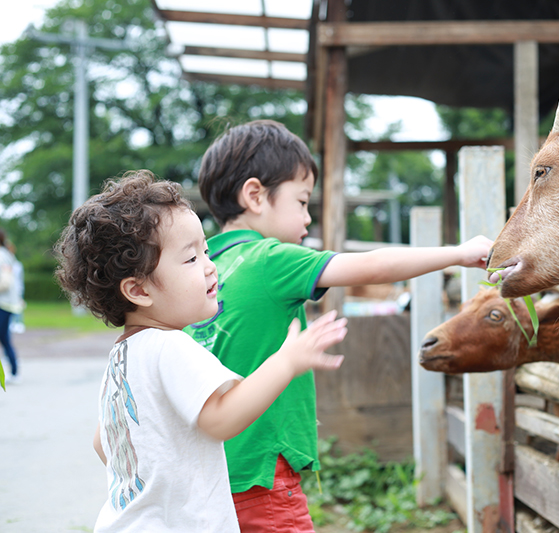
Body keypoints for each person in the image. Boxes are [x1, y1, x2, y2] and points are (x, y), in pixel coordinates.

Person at [186, 119, 493, 532]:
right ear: (255, 196)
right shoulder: (269, 258)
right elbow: (374, 265)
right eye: (301, 201)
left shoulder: (204, 271)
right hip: (263, 475)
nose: (308, 219)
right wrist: (458, 253)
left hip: (206, 477)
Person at [54, 170, 348, 532]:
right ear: (140, 291)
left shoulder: (123, 355)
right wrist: (286, 361)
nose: (210, 267)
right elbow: (221, 420)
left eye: (206, 251)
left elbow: (104, 443)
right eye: (191, 259)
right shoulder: (171, 346)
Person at [0, 229, 23, 384]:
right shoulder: (6, 253)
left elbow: (5, 282)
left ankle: (13, 371)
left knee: (4, 338)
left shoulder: (1, 255)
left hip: (4, 303)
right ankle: (13, 370)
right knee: (4, 338)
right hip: (7, 303)